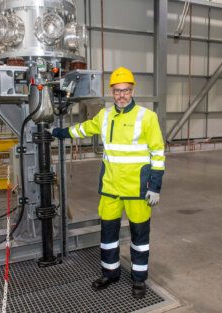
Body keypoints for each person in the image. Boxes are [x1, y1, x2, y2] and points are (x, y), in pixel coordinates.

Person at [52, 66, 165, 299]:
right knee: (107, 236)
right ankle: (110, 273)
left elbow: (158, 153)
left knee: (139, 240)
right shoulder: (104, 116)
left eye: (126, 90)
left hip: (138, 191)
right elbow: (84, 128)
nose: (121, 95)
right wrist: (61, 133)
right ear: (111, 92)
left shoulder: (147, 117)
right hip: (111, 190)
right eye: (117, 91)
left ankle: (139, 279)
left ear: (132, 91)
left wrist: (155, 186)